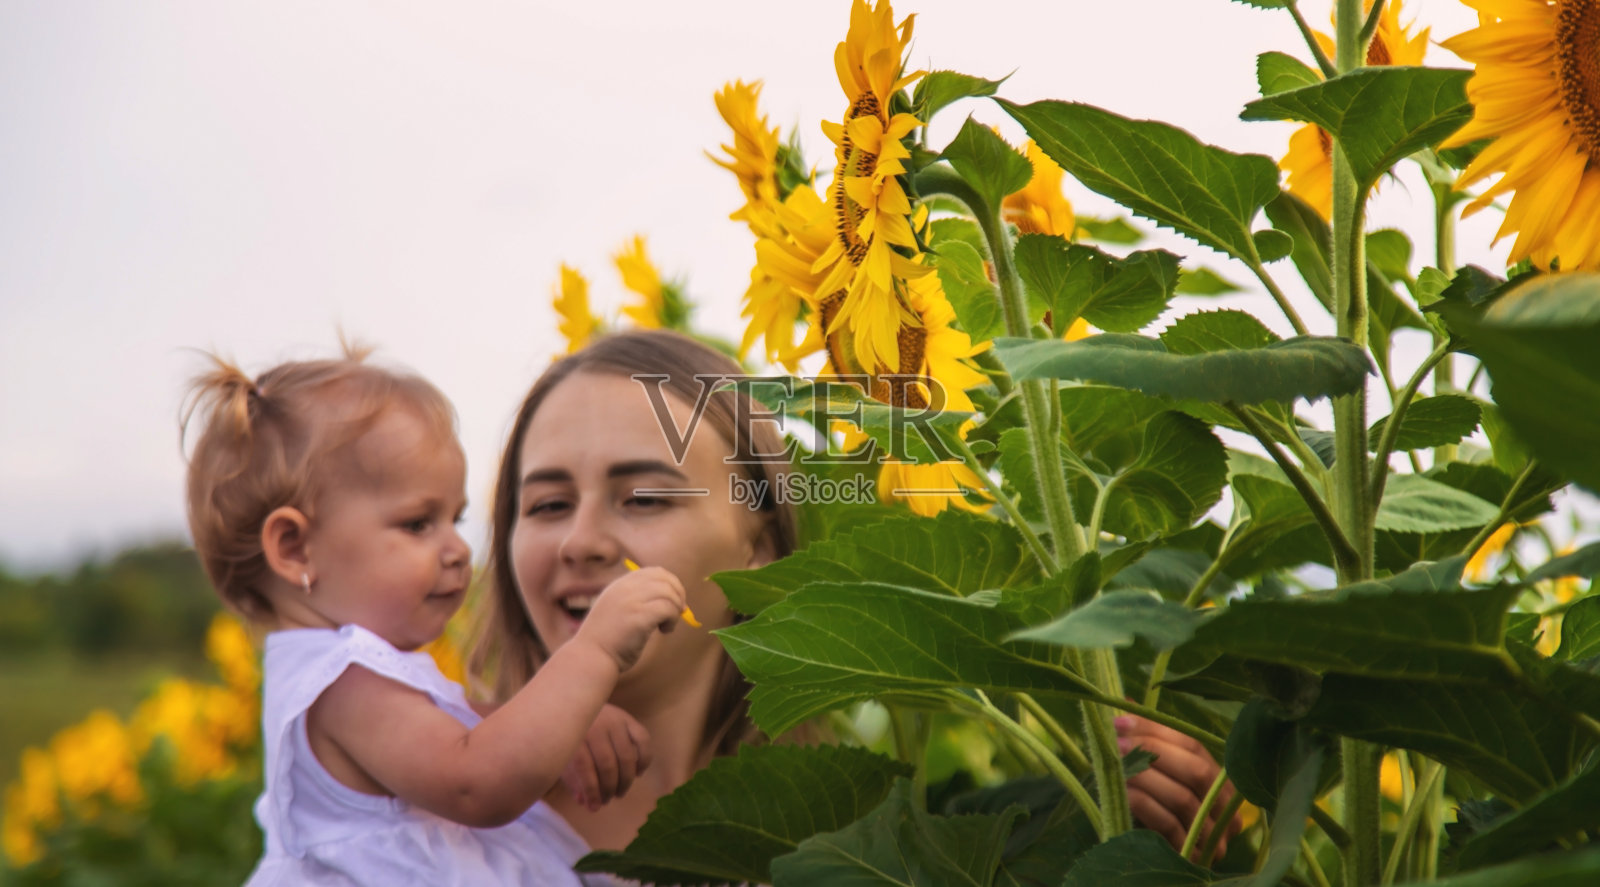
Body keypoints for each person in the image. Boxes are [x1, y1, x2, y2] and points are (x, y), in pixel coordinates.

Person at [466, 328, 1238, 875]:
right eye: (545, 505)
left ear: (758, 547)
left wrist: (1132, 802)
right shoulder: (412, 783)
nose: (581, 540)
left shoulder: (873, 839)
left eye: (641, 497)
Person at [182, 347, 689, 886]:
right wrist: (594, 654)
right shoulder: (341, 682)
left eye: (457, 518)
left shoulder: (351, 676)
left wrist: (567, 715)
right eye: (419, 524)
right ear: (295, 549)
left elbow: (453, 723)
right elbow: (477, 780)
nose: (458, 550)